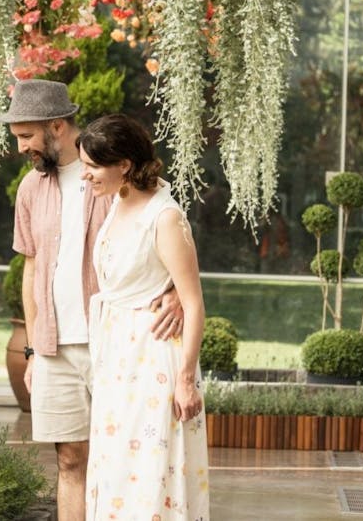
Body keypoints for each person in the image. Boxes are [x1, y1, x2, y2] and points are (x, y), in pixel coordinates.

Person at [1, 80, 184, 521]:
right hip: (54, 349)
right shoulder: (30, 189)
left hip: (117, 346)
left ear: (57, 126)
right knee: (69, 460)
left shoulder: (116, 174)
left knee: (120, 460)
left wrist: (177, 290)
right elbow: (31, 269)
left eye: (26, 135)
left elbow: (166, 228)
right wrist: (32, 350)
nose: (21, 147)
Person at [78, 114, 210, 519]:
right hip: (117, 361)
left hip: (153, 360)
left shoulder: (164, 217)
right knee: (117, 472)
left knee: (150, 473)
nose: (85, 176)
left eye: (92, 166)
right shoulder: (116, 201)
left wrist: (185, 381)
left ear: (124, 165)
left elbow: (194, 303)